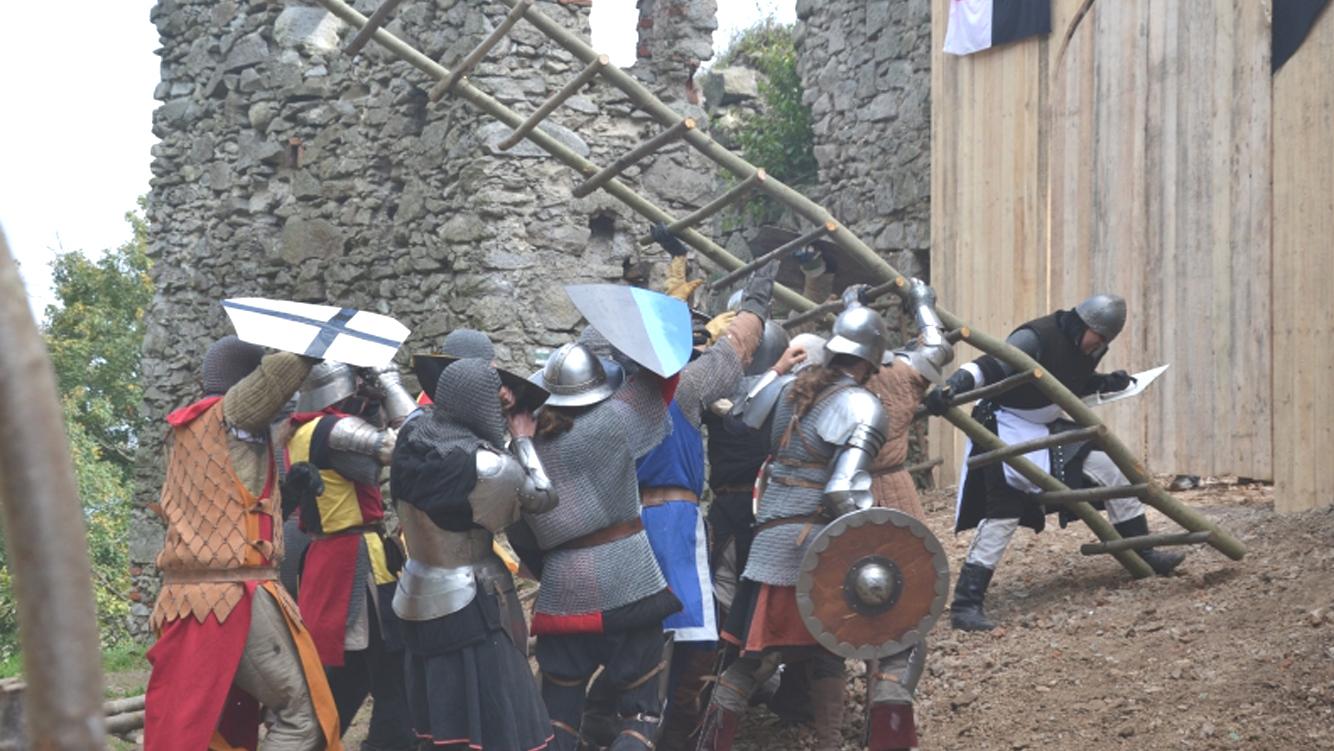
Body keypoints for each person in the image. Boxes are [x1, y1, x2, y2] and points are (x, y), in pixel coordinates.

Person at [924, 293, 1185, 633]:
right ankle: (966, 604)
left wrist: (1108, 382)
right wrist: (953, 386)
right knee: (1004, 512)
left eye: (1105, 341)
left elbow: (1067, 382)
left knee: (1112, 470)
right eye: (1099, 337)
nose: (1099, 345)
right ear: (1085, 325)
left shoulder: (1087, 346)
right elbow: (988, 366)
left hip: (1047, 427)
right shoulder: (1036, 337)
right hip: (1004, 424)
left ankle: (1143, 551)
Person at [696, 302, 891, 751]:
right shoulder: (861, 404)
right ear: (869, 361)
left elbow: (739, 416)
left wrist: (777, 371)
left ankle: (710, 743)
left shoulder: (789, 390)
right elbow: (841, 492)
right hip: (813, 546)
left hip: (768, 539)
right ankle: (829, 744)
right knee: (829, 653)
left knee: (750, 658)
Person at [145, 335, 341, 751]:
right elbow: (274, 379)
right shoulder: (229, 414)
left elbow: (230, 517)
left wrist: (289, 493)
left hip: (194, 596)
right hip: (233, 596)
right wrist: (317, 338)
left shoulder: (190, 432)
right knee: (304, 719)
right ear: (244, 381)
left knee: (209, 726)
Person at [636, 226, 778, 749]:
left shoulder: (608, 392)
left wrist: (678, 263)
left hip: (622, 523)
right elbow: (735, 347)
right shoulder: (686, 388)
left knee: (636, 635)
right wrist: (758, 299)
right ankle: (673, 733)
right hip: (672, 522)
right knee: (692, 634)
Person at [389, 358, 558, 750]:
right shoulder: (488, 466)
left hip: (416, 590)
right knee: (493, 712)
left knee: (443, 717)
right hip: (470, 601)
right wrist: (522, 440)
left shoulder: (411, 437)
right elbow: (543, 497)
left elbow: (410, 415)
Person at [523, 342, 684, 751]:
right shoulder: (612, 423)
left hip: (562, 588)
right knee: (640, 716)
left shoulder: (524, 446)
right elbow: (664, 378)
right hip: (628, 581)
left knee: (557, 719)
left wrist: (552, 567)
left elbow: (519, 531)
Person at [285, 361, 417, 750]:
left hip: (327, 558)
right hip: (357, 562)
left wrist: (369, 410)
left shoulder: (298, 431)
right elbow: (410, 444)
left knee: (353, 670)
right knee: (393, 667)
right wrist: (389, 384)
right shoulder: (335, 429)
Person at [846, 280, 953, 751]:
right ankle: (888, 724)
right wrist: (922, 303)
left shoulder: (832, 380)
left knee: (855, 600)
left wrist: (850, 307)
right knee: (903, 610)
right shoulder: (904, 375)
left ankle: (869, 712)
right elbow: (938, 346)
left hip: (845, 498)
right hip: (896, 494)